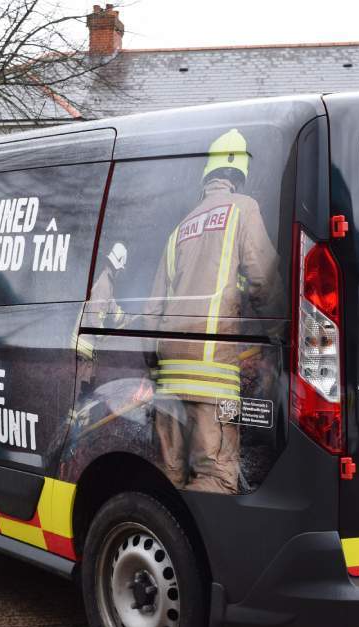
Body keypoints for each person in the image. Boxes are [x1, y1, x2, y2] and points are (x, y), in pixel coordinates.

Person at [145, 129, 281, 493]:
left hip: (170, 383)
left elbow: (152, 312)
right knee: (216, 478)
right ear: (238, 177)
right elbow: (264, 281)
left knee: (169, 478)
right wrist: (284, 334)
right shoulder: (243, 209)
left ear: (208, 175)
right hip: (213, 378)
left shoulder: (179, 230)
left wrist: (156, 368)